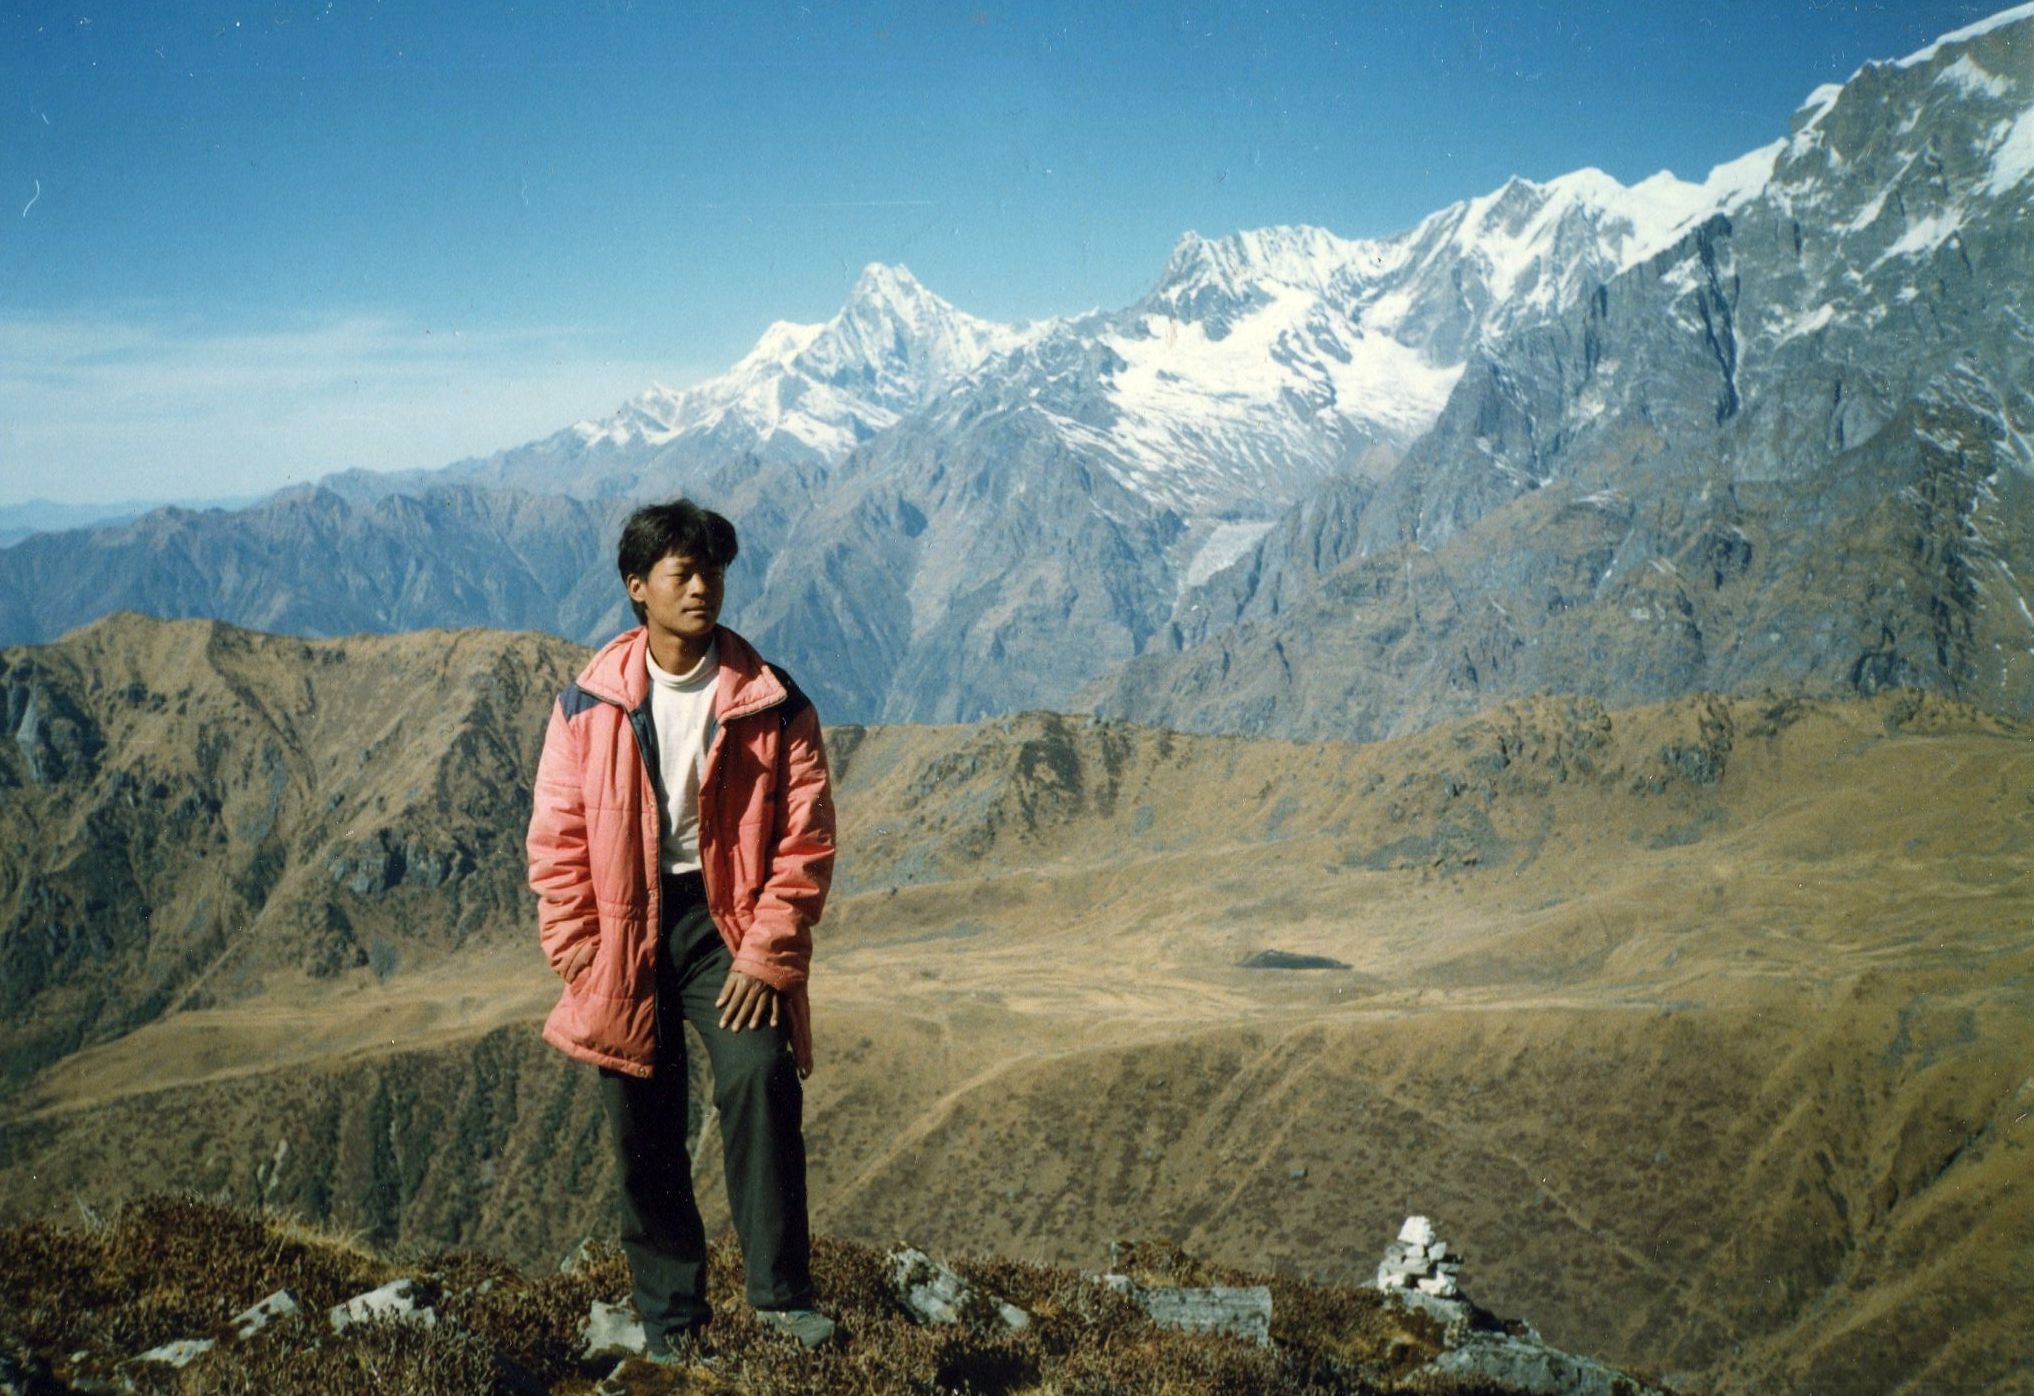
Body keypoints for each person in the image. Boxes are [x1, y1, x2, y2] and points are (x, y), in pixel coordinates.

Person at [525, 498, 838, 1361]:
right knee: (641, 1116)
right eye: (683, 573)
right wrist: (585, 957)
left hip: (725, 925)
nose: (704, 587)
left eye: (714, 571)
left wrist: (767, 957)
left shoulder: (772, 701)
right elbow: (556, 844)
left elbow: (805, 842)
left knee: (759, 1075)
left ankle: (781, 1302)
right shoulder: (587, 704)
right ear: (639, 589)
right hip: (625, 931)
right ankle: (673, 1326)